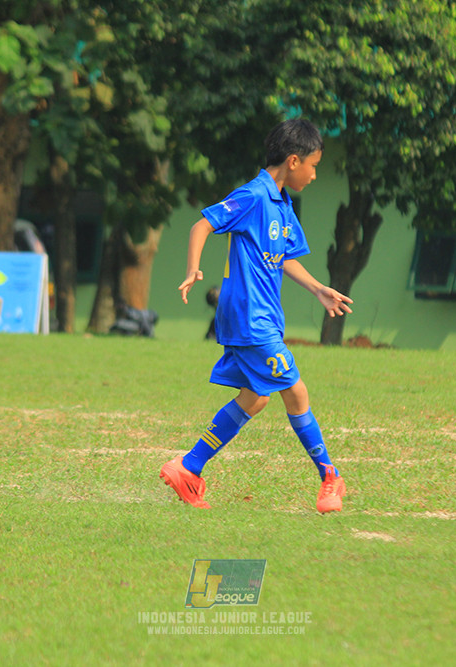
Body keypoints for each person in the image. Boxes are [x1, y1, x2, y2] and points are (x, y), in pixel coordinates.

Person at [161, 119, 353, 513]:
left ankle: (188, 467)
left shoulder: (282, 204)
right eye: (313, 166)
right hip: (250, 319)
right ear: (294, 160)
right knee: (295, 391)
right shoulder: (253, 196)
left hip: (263, 317)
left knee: (256, 397)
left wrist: (317, 288)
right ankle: (330, 476)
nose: (315, 175)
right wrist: (193, 268)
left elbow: (282, 258)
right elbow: (202, 225)